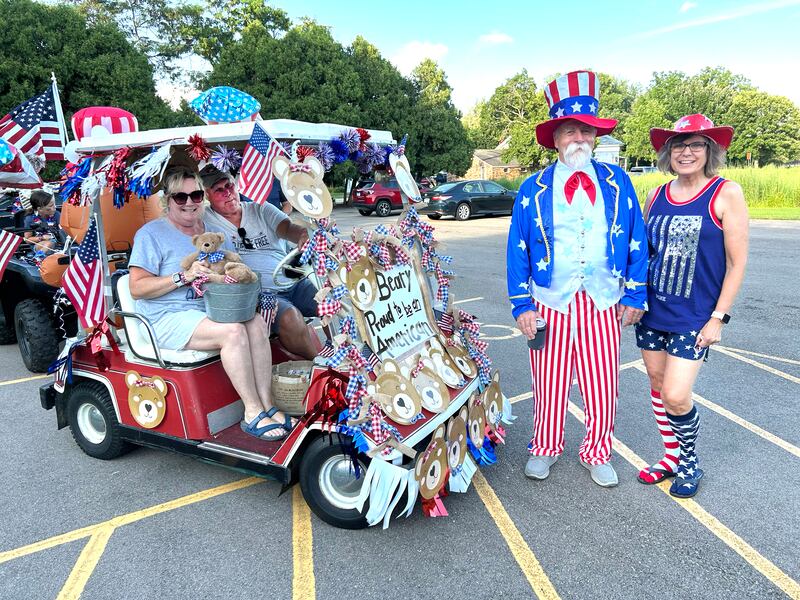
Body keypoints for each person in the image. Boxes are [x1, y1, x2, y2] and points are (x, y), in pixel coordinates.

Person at [506, 70, 648, 488]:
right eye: (570, 131)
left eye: (586, 130)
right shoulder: (532, 188)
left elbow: (636, 237)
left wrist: (635, 294)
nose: (579, 139)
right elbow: (518, 248)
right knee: (547, 381)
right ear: (555, 139)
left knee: (602, 383)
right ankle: (546, 446)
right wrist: (521, 304)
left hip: (603, 299)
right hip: (550, 299)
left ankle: (597, 450)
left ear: (595, 136)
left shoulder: (618, 182)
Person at [128, 167, 296, 441]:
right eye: (180, 197)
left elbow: (231, 268)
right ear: (167, 200)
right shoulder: (151, 234)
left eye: (195, 195)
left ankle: (267, 404)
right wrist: (184, 276)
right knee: (234, 331)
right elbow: (137, 288)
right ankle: (252, 411)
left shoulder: (215, 233)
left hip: (208, 310)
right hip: (166, 316)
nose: (189, 202)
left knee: (255, 323)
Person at [635, 114, 748, 498]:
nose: (686, 152)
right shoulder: (657, 194)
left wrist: (719, 318)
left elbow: (736, 263)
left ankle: (689, 462)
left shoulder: (725, 193)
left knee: (677, 394)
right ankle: (669, 456)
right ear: (668, 153)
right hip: (654, 312)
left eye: (696, 144)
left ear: (709, 150)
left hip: (696, 317)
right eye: (679, 145)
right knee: (655, 383)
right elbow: (646, 253)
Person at [199, 165, 319, 360]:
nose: (227, 193)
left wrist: (303, 235)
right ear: (207, 195)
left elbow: (288, 228)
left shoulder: (261, 209)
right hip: (259, 295)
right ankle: (323, 366)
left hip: (292, 281)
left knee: (332, 303)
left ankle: (348, 353)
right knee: (291, 317)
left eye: (229, 186)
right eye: (218, 190)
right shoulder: (205, 220)